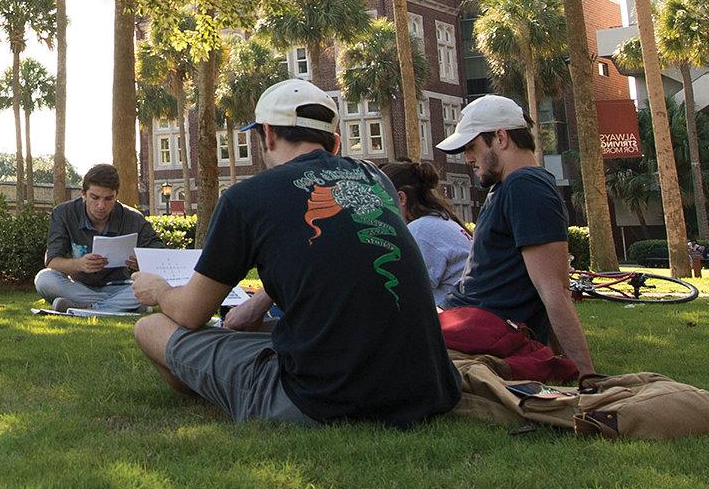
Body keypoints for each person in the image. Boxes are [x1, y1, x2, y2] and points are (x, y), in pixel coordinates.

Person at [128, 79, 459, 426]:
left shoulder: (245, 199)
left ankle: (238, 391)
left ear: (268, 134)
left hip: (323, 399)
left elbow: (190, 314)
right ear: (334, 143)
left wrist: (159, 289)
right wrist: (258, 302)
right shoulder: (376, 179)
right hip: (428, 389)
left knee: (151, 328)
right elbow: (342, 255)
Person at [434, 94, 598, 375]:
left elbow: (554, 289)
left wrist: (586, 375)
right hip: (463, 321)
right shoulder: (507, 186)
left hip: (483, 330)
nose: (468, 158)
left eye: (472, 146)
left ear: (500, 137)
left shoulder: (527, 188)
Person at [36, 164, 165, 312]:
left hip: (122, 286)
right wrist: (79, 264)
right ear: (83, 194)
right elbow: (53, 261)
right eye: (95, 197)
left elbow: (160, 253)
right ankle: (119, 306)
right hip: (80, 287)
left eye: (109, 199)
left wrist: (142, 261)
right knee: (44, 279)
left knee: (154, 286)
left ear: (116, 195)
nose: (101, 205)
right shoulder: (64, 213)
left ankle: (89, 309)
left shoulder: (133, 218)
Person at [384, 159, 475, 309]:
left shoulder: (420, 230)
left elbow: (408, 291)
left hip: (454, 318)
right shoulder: (439, 221)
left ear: (401, 198)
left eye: (382, 201)